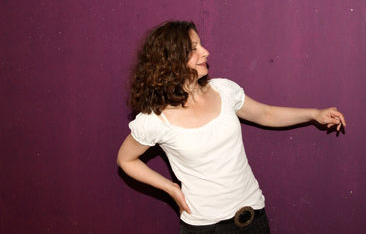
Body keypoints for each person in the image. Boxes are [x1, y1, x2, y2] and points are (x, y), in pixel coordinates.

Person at [117, 21, 346, 233]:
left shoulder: (224, 90)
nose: (205, 52)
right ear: (171, 62)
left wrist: (315, 114)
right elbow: (126, 160)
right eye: (193, 49)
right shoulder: (155, 119)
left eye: (201, 45)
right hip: (205, 227)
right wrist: (171, 189)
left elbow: (266, 114)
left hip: (253, 217)